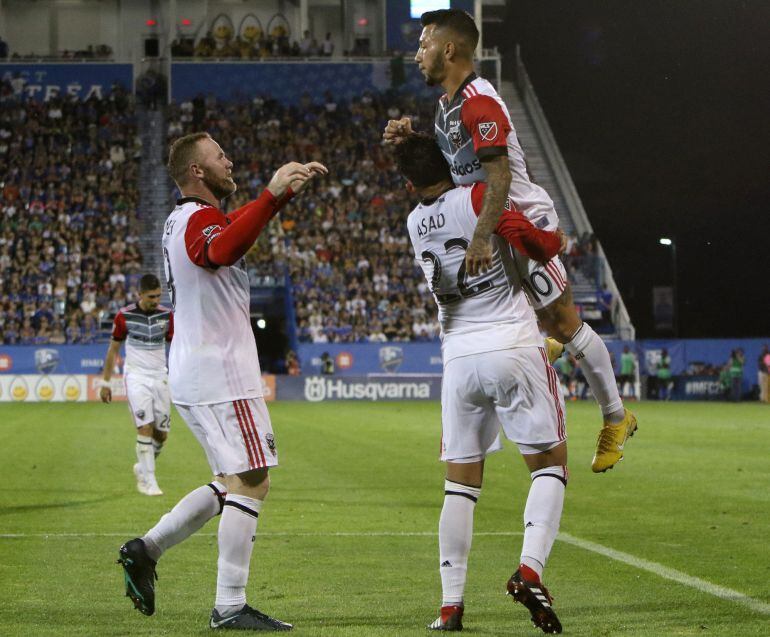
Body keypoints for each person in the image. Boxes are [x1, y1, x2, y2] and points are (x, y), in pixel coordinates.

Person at [383, 8, 636, 474]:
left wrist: (480, 239)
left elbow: (498, 177)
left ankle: (616, 417)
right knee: (524, 322)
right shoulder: (444, 107)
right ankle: (547, 353)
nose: (417, 53)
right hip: (488, 220)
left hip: (515, 219)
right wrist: (409, 140)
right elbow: (456, 170)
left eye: (423, 43)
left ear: (450, 48)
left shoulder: (481, 101)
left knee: (563, 320)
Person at [116, 131, 326, 630]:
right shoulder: (199, 220)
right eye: (219, 157)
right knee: (254, 480)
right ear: (196, 172)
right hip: (221, 374)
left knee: (230, 481)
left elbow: (228, 235)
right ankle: (229, 604)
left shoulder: (181, 220)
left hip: (196, 370)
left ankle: (145, 550)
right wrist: (272, 194)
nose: (229, 161)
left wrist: (280, 197)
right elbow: (221, 250)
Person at [395, 133, 567, 633]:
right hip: (511, 343)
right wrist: (556, 241)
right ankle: (530, 571)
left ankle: (450, 606)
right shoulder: (478, 198)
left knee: (459, 485)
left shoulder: (412, 222)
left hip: (458, 358)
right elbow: (532, 241)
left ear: (409, 182)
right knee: (549, 467)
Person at [100, 274, 173, 496]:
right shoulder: (124, 316)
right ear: (139, 294)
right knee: (145, 427)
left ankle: (141, 467)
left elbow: (178, 346)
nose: (155, 300)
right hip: (136, 376)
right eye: (151, 296)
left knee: (161, 434)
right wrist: (106, 382)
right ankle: (149, 481)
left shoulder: (167, 315)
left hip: (160, 376)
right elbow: (113, 349)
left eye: (158, 296)